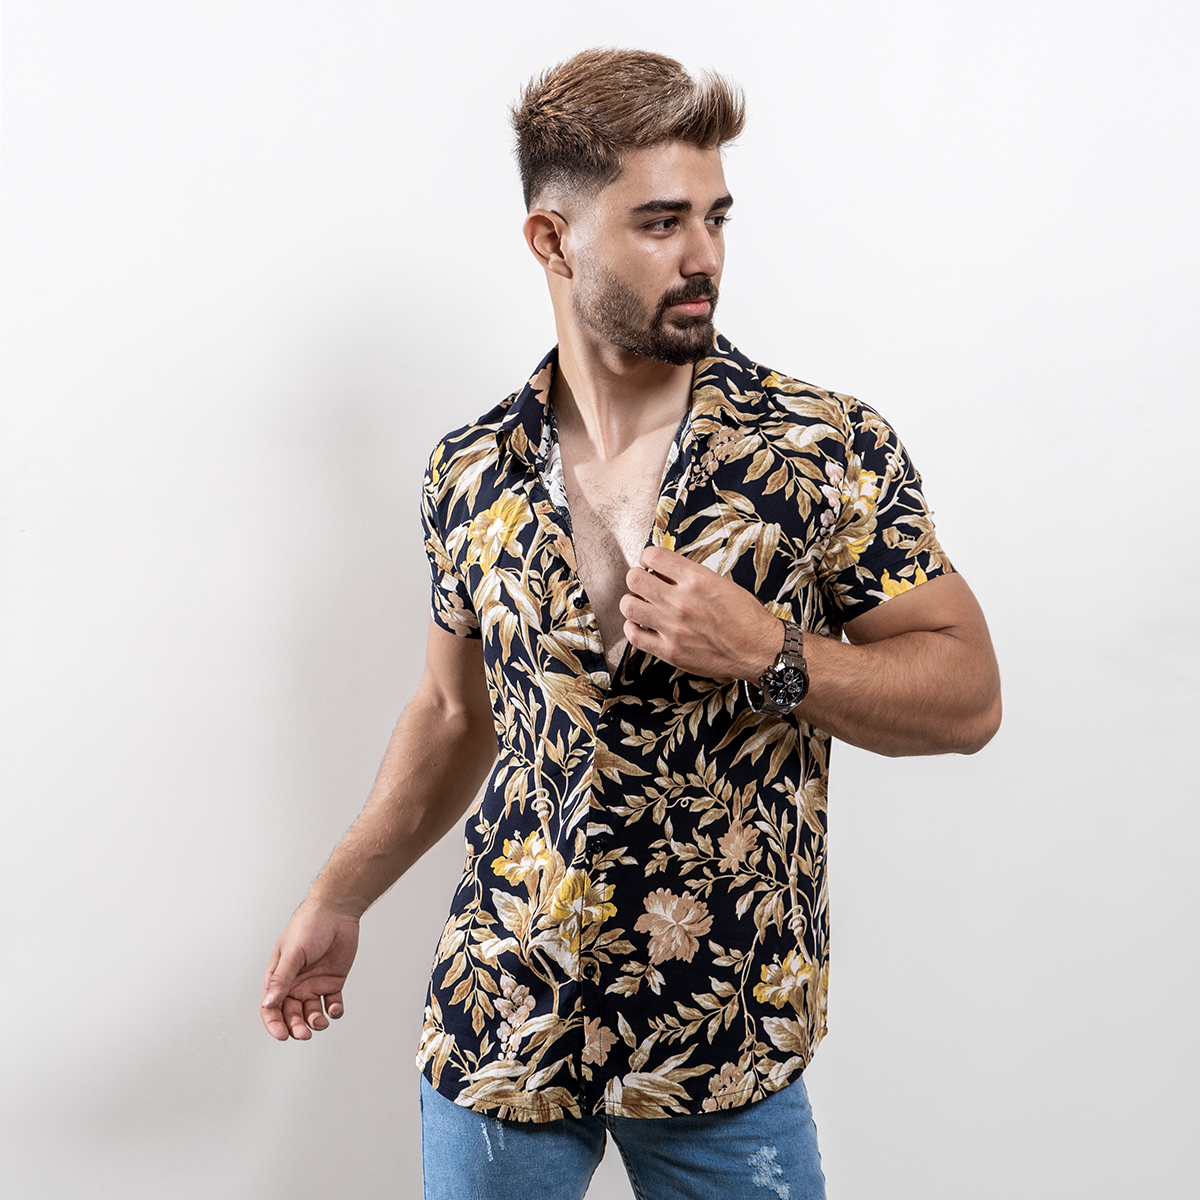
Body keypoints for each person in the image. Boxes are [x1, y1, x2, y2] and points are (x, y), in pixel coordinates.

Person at [260, 48, 1001, 1200]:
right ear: (552, 242)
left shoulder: (821, 448)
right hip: (507, 1018)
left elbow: (969, 696)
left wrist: (773, 653)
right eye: (661, 222)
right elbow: (453, 714)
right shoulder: (468, 471)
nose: (704, 254)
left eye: (715, 216)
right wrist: (339, 893)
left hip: (725, 1039)